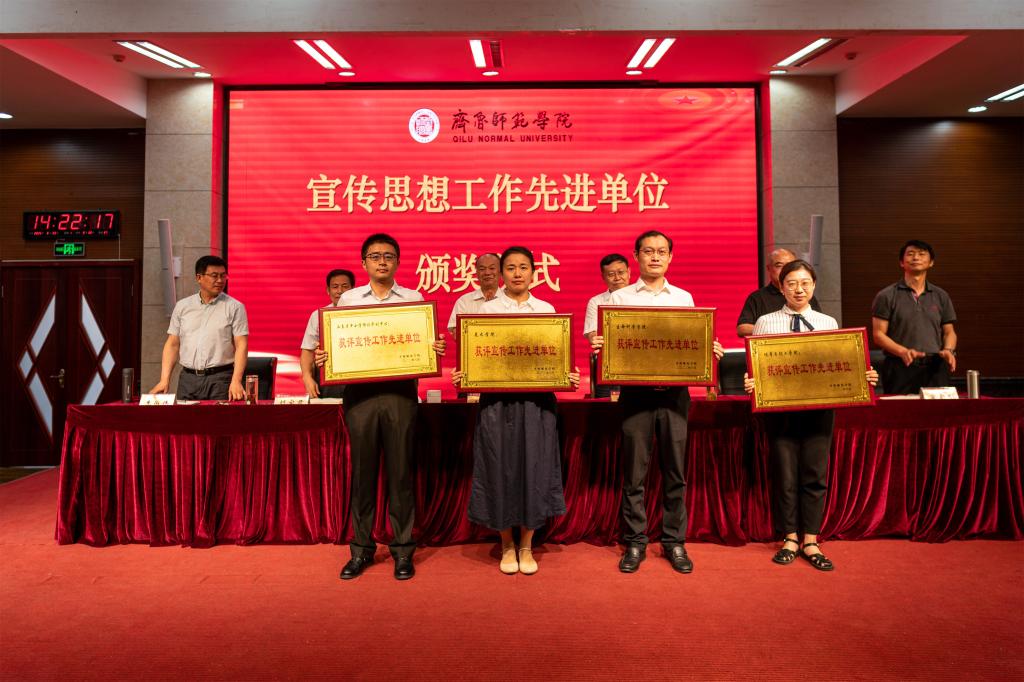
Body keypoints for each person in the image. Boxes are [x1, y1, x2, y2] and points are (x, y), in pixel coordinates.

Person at [590, 230, 724, 574]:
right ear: (636, 256)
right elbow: (610, 347)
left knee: (675, 473)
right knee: (634, 475)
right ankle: (635, 542)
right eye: (648, 251)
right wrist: (602, 348)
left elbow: (692, 342)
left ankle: (674, 541)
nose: (654, 257)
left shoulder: (683, 298)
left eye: (661, 252)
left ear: (670, 258)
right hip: (635, 395)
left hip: (675, 395)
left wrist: (708, 349)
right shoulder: (620, 299)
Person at [451, 246, 579, 575]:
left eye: (523, 267)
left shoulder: (547, 309)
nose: (517, 273)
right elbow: (474, 357)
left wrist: (567, 374)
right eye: (510, 268)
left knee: (536, 468)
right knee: (499, 468)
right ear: (502, 273)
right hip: (497, 403)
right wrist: (464, 373)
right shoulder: (486, 310)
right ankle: (507, 543)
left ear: (534, 273)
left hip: (537, 403)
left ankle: (527, 544)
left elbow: (556, 357)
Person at [744, 259, 878, 572]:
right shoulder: (765, 322)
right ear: (781, 287)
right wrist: (751, 382)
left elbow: (841, 364)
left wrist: (864, 377)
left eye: (805, 283)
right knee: (785, 474)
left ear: (814, 286)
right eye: (791, 283)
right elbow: (758, 366)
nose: (799, 289)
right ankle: (790, 537)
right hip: (780, 411)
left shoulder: (828, 322)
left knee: (815, 474)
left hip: (820, 410)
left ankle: (811, 540)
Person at [334, 234, 445, 582]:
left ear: (397, 262)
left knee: (400, 475)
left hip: (400, 394)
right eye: (375, 256)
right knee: (362, 475)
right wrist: (327, 356)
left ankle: (402, 550)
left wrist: (433, 349)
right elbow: (337, 342)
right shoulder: (349, 299)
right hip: (360, 396)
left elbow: (424, 343)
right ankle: (361, 550)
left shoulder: (414, 299)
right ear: (364, 263)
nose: (382, 262)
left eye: (388, 256)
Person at [150, 255, 248, 401]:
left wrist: (236, 380)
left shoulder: (235, 307)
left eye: (223, 276)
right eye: (214, 276)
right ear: (199, 277)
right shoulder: (182, 306)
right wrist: (164, 379)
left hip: (221, 379)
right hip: (188, 379)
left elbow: (241, 345)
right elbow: (173, 344)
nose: (220, 280)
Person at [871, 240, 957, 394]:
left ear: (931, 262)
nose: (916, 257)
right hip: (900, 367)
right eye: (910, 254)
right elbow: (878, 335)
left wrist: (948, 350)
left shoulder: (941, 295)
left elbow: (949, 332)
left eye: (922, 254)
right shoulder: (886, 295)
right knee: (900, 408)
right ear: (901, 262)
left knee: (937, 409)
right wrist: (903, 351)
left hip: (935, 366)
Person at [736, 247, 821, 338]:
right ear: (769, 268)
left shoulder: (805, 296)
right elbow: (742, 328)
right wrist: (776, 328)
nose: (785, 269)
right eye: (779, 265)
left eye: (790, 266)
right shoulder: (758, 299)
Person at [299, 269, 355, 399]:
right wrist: (307, 377)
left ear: (353, 290)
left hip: (357, 376)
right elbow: (307, 351)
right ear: (328, 290)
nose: (340, 291)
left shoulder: (364, 314)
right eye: (335, 287)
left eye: (345, 286)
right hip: (329, 379)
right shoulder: (318, 315)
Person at [582, 254, 631, 398]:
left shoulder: (642, 298)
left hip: (637, 359)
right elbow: (592, 332)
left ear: (629, 272)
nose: (617, 278)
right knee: (606, 406)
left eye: (621, 272)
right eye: (611, 274)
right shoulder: (596, 301)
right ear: (603, 277)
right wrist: (594, 338)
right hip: (607, 362)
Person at [446, 253, 501, 336]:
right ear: (476, 273)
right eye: (482, 269)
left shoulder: (509, 299)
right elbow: (456, 332)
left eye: (492, 268)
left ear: (501, 272)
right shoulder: (464, 301)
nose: (487, 272)